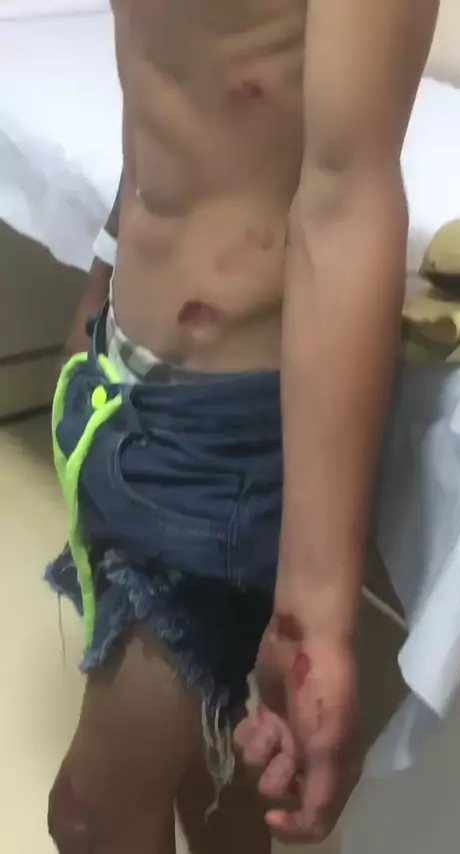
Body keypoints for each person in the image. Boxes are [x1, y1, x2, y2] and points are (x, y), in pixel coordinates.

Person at [47, 0, 439, 851]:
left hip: (225, 433)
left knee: (90, 815)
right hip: (123, 376)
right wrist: (104, 281)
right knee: (211, 784)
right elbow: (172, 92)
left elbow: (348, 196)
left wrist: (315, 623)